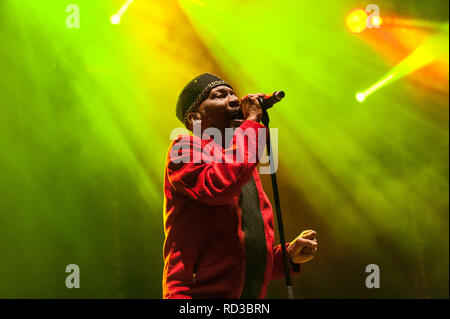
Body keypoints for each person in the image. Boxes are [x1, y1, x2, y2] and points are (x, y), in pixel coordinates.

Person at [162, 73, 318, 299]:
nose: (234, 100)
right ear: (195, 119)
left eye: (233, 93)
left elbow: (238, 258)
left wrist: (286, 258)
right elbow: (218, 188)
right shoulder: (184, 148)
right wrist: (252, 122)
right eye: (220, 95)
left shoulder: (241, 163)